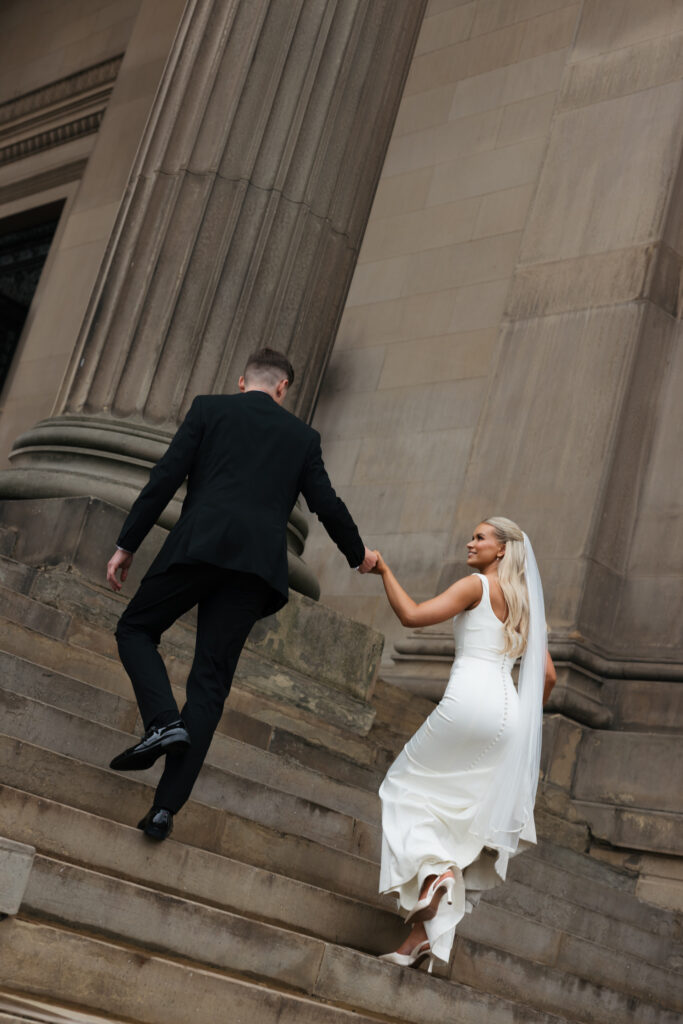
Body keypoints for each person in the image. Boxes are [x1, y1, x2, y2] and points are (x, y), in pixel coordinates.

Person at [106, 347, 377, 841]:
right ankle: (165, 810)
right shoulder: (302, 437)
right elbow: (327, 505)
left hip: (197, 548)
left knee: (135, 628)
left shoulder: (210, 409)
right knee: (210, 684)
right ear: (282, 389)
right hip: (255, 569)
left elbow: (164, 478)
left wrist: (127, 543)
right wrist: (357, 554)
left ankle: (163, 720)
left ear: (241, 381)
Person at [371, 517, 556, 972]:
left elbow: (412, 616)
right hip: (509, 713)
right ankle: (420, 939)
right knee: (469, 820)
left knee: (402, 787)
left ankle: (434, 873)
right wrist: (525, 725)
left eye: (480, 538)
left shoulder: (475, 586)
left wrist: (384, 571)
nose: (470, 543)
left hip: (469, 701)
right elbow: (547, 677)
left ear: (501, 550)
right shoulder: (525, 604)